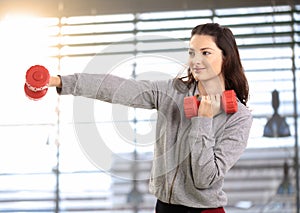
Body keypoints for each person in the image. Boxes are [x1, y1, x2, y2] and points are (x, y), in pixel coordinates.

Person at [49, 23, 253, 213]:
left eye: (206, 53)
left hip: (203, 210)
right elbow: (118, 88)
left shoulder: (239, 118)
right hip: (164, 206)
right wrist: (60, 82)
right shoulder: (172, 92)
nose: (195, 61)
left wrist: (203, 120)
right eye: (192, 52)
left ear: (226, 58)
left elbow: (205, 178)